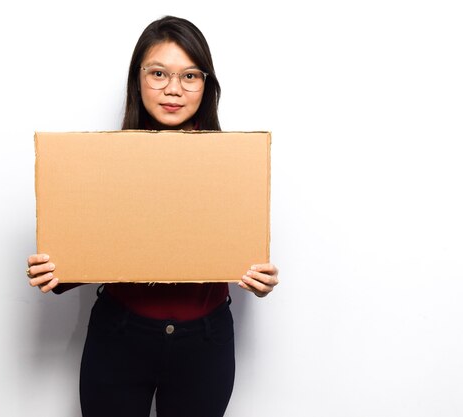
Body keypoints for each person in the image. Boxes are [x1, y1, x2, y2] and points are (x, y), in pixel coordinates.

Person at [26, 15, 279, 417]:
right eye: (158, 73)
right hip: (120, 336)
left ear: (206, 85)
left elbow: (237, 251)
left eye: (190, 76)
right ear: (137, 79)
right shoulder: (98, 165)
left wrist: (260, 279)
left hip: (205, 342)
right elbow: (90, 252)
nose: (173, 89)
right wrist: (55, 271)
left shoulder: (233, 167)